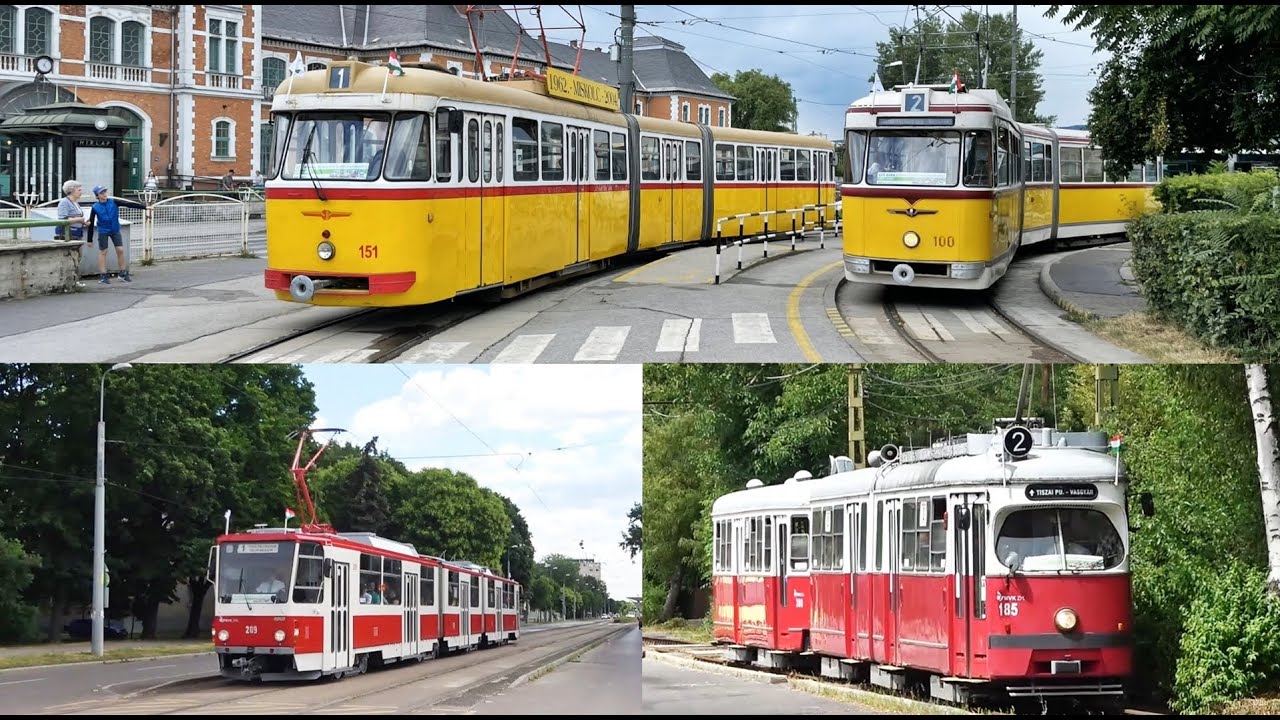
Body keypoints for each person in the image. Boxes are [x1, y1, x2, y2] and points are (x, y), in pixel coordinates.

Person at [86, 185, 149, 285]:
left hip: (115, 229)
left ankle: (123, 273)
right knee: (103, 252)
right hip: (103, 231)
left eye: (105, 192)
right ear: (97, 196)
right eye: (101, 193)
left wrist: (144, 207)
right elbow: (91, 222)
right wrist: (89, 239)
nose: (104, 194)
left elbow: (128, 204)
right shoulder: (95, 207)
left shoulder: (113, 202)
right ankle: (103, 275)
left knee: (120, 250)